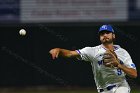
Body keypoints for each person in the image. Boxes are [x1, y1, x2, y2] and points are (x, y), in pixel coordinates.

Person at [49, 25, 137, 93]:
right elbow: (71, 53)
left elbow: (134, 74)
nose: (105, 35)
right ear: (99, 37)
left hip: (121, 87)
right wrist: (59, 50)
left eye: (107, 32)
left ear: (113, 36)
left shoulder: (123, 53)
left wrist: (119, 65)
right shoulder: (92, 51)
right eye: (102, 33)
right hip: (103, 89)